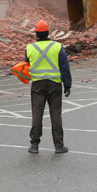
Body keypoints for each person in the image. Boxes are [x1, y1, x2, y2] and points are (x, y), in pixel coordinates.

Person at [26, 19, 72, 154]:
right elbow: (64, 67)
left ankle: (34, 144)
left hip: (37, 85)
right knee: (55, 115)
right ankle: (59, 145)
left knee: (37, 114)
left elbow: (26, 66)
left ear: (36, 34)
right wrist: (67, 85)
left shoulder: (30, 48)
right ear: (48, 33)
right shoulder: (57, 47)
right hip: (54, 84)